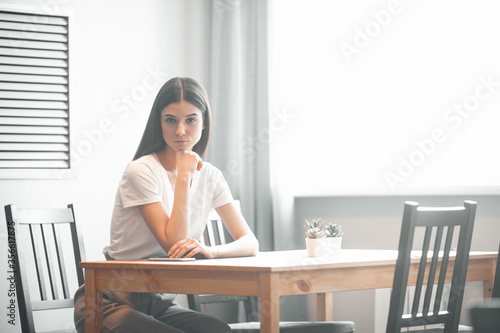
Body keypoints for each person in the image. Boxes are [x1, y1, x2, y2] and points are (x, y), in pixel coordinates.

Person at [74, 77, 259, 333]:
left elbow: (250, 243)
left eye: (190, 120)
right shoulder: (141, 171)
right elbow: (173, 244)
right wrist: (184, 176)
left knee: (218, 330)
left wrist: (210, 250)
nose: (180, 131)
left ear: (203, 122)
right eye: (170, 120)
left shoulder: (212, 175)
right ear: (159, 123)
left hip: (158, 303)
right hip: (108, 302)